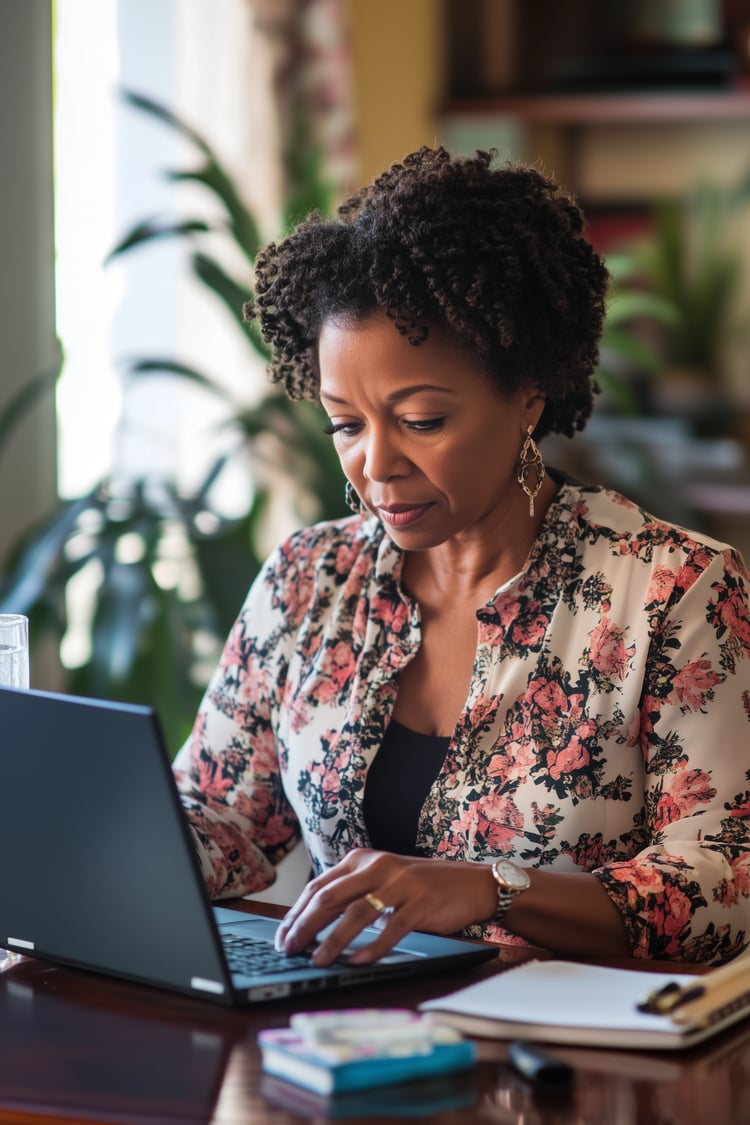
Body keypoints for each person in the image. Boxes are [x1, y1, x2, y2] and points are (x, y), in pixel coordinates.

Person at [173, 145, 750, 968]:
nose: (375, 463)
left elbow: (726, 882)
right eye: (346, 423)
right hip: (343, 1038)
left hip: (569, 1062)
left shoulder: (676, 591)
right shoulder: (308, 581)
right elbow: (218, 814)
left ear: (527, 396)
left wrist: (490, 885)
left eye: (421, 418)